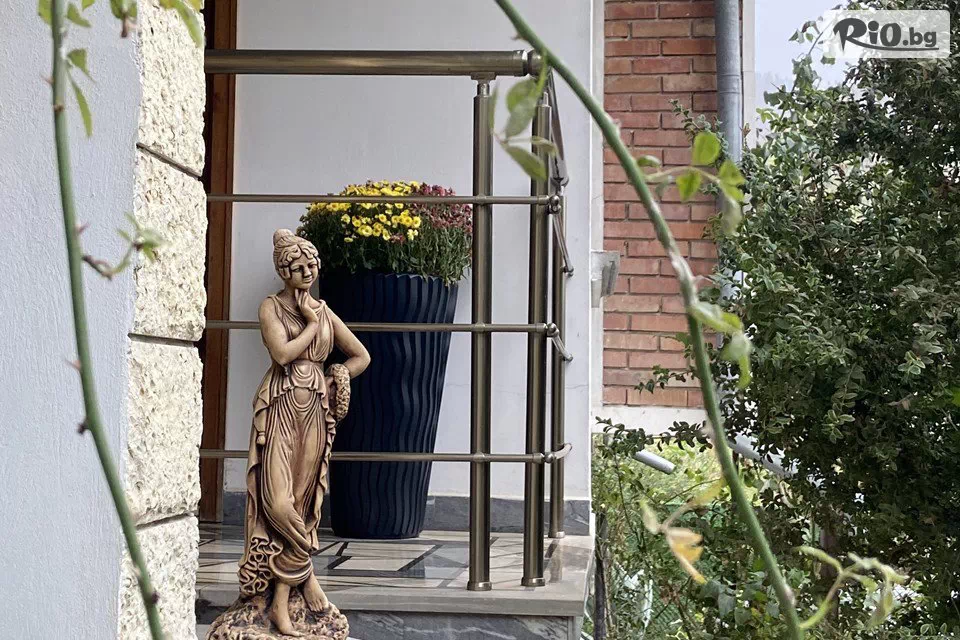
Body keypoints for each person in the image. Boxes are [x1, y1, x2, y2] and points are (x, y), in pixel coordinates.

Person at [237, 229, 370, 636]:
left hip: (314, 410)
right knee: (277, 503)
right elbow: (282, 354)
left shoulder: (324, 311)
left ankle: (281, 602)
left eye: (311, 265)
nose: (307, 272)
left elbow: (361, 356)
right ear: (283, 272)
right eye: (298, 267)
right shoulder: (272, 307)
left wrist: (336, 376)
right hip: (279, 407)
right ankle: (307, 578)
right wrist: (311, 325)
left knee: (303, 501)